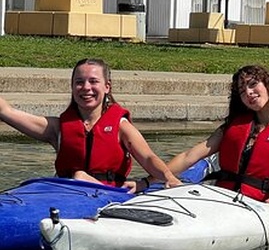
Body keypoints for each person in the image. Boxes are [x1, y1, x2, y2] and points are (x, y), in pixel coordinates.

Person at [0, 58, 181, 192]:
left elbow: (148, 158)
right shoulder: (57, 128)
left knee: (79, 175)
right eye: (79, 82)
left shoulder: (121, 126)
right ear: (72, 87)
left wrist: (169, 177)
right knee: (76, 176)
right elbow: (7, 112)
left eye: (93, 81)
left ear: (107, 87)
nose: (86, 87)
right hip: (65, 193)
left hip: (110, 196)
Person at [167, 65, 269, 206]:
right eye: (242, 91)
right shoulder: (233, 127)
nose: (249, 92)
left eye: (253, 84)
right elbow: (190, 156)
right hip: (221, 198)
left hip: (262, 204)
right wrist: (158, 177)